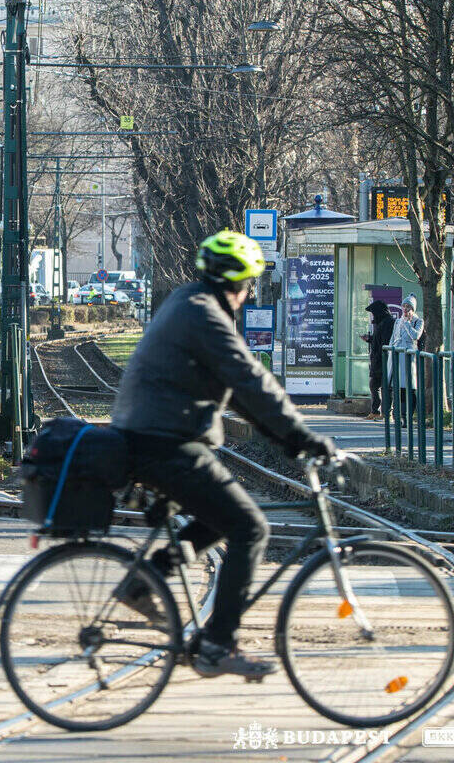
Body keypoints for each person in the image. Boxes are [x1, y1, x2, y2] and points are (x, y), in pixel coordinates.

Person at [111, 230, 336, 680]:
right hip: (166, 441)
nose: (249, 292)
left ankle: (144, 581)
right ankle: (217, 646)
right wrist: (304, 438)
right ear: (238, 284)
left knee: (217, 520)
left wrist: (286, 438)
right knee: (251, 528)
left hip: (153, 435)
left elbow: (234, 390)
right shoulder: (206, 316)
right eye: (250, 284)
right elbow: (251, 381)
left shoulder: (188, 302)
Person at [388, 295, 423, 427]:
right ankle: (399, 416)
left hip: (409, 358)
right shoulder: (397, 321)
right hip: (397, 357)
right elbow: (393, 338)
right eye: (404, 306)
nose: (405, 309)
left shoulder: (417, 321)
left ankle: (408, 416)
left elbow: (415, 336)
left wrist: (408, 323)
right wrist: (390, 351)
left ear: (413, 309)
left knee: (409, 388)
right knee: (397, 388)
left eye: (408, 307)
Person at [362, 300, 395, 420]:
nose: (372, 316)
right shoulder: (381, 322)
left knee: (384, 387)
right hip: (378, 360)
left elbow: (385, 342)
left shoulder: (388, 322)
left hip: (384, 361)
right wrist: (370, 339)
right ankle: (377, 411)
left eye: (373, 313)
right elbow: (379, 340)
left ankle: (385, 413)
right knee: (375, 385)